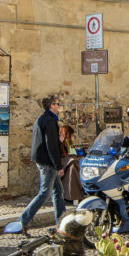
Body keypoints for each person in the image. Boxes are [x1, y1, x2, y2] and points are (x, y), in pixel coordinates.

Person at [18, 94, 66, 234]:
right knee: (45, 193)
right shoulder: (50, 121)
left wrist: (59, 140)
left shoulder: (41, 118)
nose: (59, 106)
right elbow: (51, 145)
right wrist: (58, 166)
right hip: (47, 162)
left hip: (42, 159)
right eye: (57, 104)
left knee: (58, 191)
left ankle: (61, 223)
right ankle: (23, 220)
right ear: (51, 105)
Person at [59, 125, 84, 203]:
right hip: (62, 161)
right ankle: (73, 193)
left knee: (76, 164)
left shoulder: (69, 141)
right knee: (73, 165)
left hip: (68, 160)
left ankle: (78, 191)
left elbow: (72, 153)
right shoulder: (58, 140)